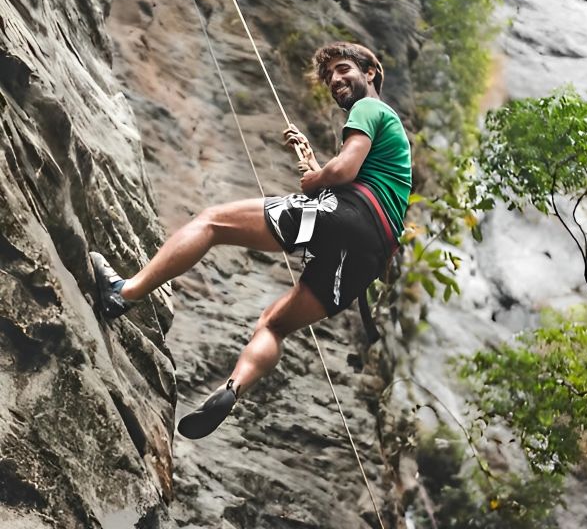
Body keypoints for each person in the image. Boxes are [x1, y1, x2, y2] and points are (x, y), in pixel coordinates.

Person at [90, 41, 412, 440]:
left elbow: (344, 172)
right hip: (368, 256)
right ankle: (233, 387)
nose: (334, 80)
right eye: (329, 76)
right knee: (274, 325)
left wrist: (316, 177)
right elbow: (357, 184)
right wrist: (314, 166)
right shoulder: (396, 141)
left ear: (370, 73)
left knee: (211, 222)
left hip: (347, 214)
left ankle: (125, 292)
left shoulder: (370, 109)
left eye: (343, 69)